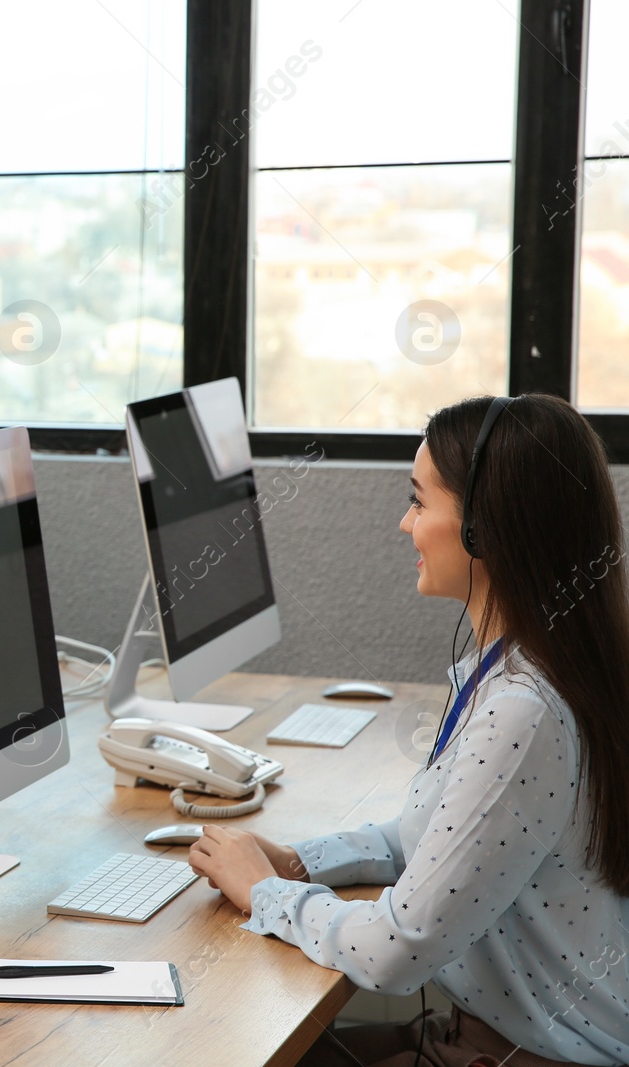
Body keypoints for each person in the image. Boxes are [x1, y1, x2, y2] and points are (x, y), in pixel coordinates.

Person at [189, 394, 629, 1066]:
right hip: (478, 1040)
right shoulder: (516, 668)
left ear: (484, 527)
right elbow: (438, 842)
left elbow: (398, 951)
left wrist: (267, 893)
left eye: (420, 501)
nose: (404, 523)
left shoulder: (525, 710)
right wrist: (303, 861)